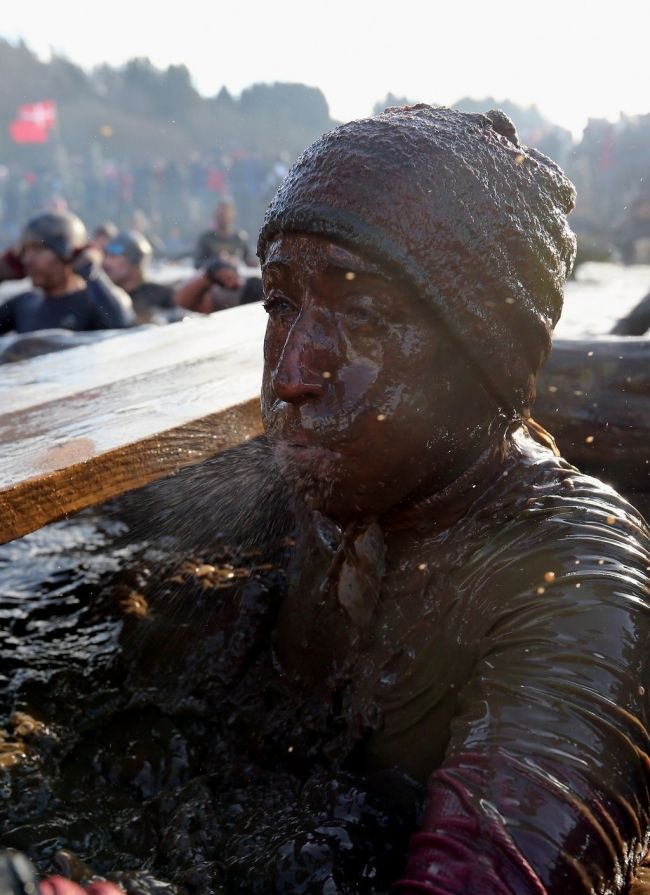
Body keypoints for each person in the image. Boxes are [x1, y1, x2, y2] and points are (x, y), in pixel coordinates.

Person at [10, 106, 650, 895]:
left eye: (368, 317)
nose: (292, 373)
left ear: (497, 354)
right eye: (280, 305)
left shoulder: (574, 578)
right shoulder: (302, 485)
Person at [0, 212, 134, 334]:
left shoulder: (96, 303)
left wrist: (90, 269)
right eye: (24, 252)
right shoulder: (24, 304)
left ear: (70, 255)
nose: (27, 260)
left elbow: (123, 330)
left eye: (38, 251)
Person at [102, 230, 175, 323]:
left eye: (113, 256)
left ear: (134, 266)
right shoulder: (102, 296)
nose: (105, 262)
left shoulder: (161, 295)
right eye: (106, 255)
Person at [193, 199, 256, 269]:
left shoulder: (241, 238)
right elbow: (198, 263)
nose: (223, 218)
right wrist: (218, 263)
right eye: (220, 215)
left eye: (226, 214)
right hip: (214, 277)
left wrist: (237, 262)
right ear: (215, 216)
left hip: (236, 277)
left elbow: (252, 262)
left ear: (233, 216)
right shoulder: (206, 238)